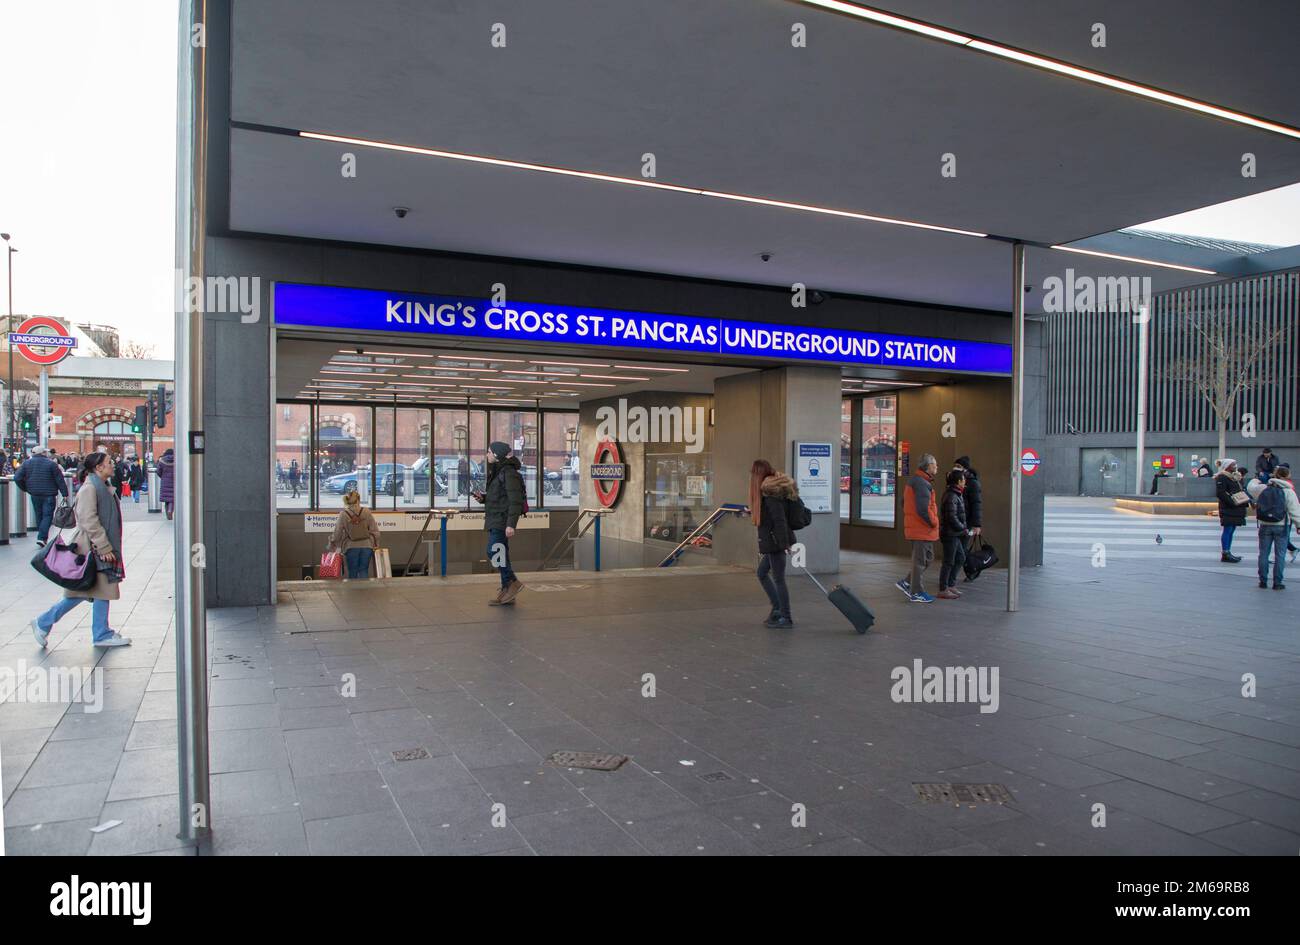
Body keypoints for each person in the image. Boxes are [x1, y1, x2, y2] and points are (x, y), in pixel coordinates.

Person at [29, 452, 131, 649]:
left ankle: (47, 623)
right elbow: (88, 519)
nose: (113, 466)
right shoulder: (90, 488)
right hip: (91, 547)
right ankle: (98, 633)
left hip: (96, 546)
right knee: (94, 590)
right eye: (109, 463)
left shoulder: (101, 486)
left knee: (93, 590)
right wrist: (103, 546)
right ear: (98, 467)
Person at [474, 441, 525, 605]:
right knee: (501, 553)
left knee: (493, 550)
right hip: (495, 518)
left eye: (489, 452)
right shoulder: (498, 471)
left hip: (502, 521)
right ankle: (507, 588)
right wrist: (484, 498)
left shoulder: (509, 473)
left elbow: (515, 500)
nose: (487, 454)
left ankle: (512, 582)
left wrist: (511, 524)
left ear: (497, 455)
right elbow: (499, 496)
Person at [749, 459, 796, 629]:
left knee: (778, 579)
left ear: (758, 474)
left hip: (776, 542)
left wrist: (784, 544)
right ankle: (777, 609)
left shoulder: (770, 494)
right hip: (773, 541)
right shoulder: (770, 492)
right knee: (762, 573)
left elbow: (779, 520)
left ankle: (785, 616)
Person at [897, 454, 939, 603]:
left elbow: (904, 502)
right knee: (920, 561)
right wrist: (934, 521)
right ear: (928, 466)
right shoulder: (921, 483)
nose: (937, 467)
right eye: (935, 465)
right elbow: (923, 509)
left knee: (927, 559)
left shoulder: (917, 481)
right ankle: (916, 592)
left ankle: (907, 582)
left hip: (920, 528)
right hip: (921, 529)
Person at [1255, 465, 1300, 590]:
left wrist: (1256, 479)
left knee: (1263, 553)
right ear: (1287, 476)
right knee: (1280, 555)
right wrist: (1298, 525)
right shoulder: (1289, 491)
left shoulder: (1264, 488)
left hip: (1265, 524)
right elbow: (1294, 510)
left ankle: (1262, 581)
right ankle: (1277, 582)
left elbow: (1251, 488)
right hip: (1281, 525)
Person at [14, 445, 70, 547]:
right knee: (47, 515)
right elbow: (59, 479)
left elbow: (17, 478)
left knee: (39, 515)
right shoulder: (51, 464)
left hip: (34, 493)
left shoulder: (27, 463)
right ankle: (42, 537)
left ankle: (41, 535)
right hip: (49, 494)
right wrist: (65, 494)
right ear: (43, 453)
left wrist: (25, 488)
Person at [328, 488, 381, 580]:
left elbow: (337, 533)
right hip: (367, 546)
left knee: (352, 571)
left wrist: (332, 543)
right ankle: (364, 593)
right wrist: (375, 544)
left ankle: (354, 593)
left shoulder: (343, 514)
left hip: (351, 546)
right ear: (358, 499)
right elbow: (375, 531)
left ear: (347, 501)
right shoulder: (366, 511)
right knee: (363, 570)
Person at [937, 469, 970, 600]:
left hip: (955, 533)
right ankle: (943, 588)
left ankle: (950, 584)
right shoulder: (951, 496)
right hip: (950, 534)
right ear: (958, 481)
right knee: (948, 561)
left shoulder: (956, 494)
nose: (965, 481)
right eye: (963, 479)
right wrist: (963, 528)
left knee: (960, 558)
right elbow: (952, 517)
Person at [1214, 459, 1247, 563]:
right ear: (1227, 466)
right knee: (1228, 529)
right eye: (1233, 464)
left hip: (1236, 507)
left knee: (1232, 529)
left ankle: (1228, 551)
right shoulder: (1222, 477)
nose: (1235, 466)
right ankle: (1225, 552)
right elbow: (1221, 493)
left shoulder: (1235, 477)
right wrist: (1233, 502)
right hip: (1228, 507)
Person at [953, 455, 982, 537]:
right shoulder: (955, 481)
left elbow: (976, 504)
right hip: (956, 521)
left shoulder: (973, 483)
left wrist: (976, 525)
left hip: (966, 521)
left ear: (965, 468)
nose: (955, 468)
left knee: (962, 547)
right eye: (954, 466)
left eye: (958, 466)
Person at [157, 448, 176, 519]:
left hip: (165, 482)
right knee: (172, 498)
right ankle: (170, 510)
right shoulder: (176, 459)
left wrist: (162, 476)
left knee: (166, 499)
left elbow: (158, 471)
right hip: (174, 482)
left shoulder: (162, 460)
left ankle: (168, 514)